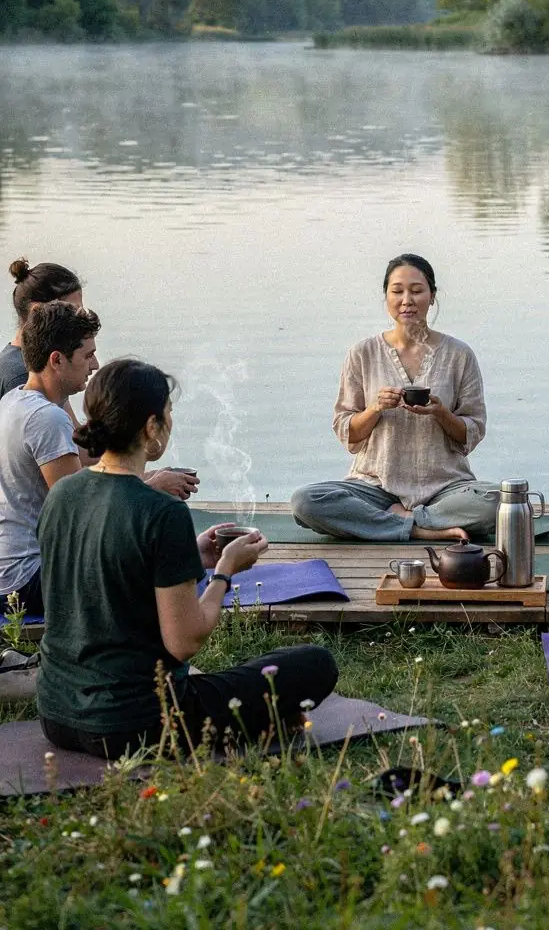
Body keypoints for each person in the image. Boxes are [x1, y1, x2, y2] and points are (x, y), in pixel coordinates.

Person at [37, 358, 338, 758]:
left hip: (56, 716)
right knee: (314, 664)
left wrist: (192, 555)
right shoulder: (162, 511)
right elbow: (184, 641)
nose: (170, 423)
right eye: (168, 414)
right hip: (140, 723)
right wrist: (225, 572)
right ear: (150, 427)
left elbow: (110, 567)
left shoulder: (63, 493)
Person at [291, 253, 496, 542]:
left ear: (432, 296)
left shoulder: (459, 355)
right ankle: (417, 528)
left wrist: (441, 413)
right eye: (397, 291)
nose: (407, 300)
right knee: (305, 501)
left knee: (499, 501)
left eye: (416, 291)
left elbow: (471, 433)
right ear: (386, 296)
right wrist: (375, 407)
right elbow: (347, 431)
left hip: (445, 486)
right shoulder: (362, 353)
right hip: (375, 487)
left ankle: (403, 521)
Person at [0, 257, 198, 502]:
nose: (95, 365)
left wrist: (137, 463)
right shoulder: (38, 403)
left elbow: (78, 452)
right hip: (36, 539)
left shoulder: (27, 392)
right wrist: (148, 481)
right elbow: (80, 502)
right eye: (70, 311)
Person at [0, 302, 101, 615]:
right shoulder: (47, 418)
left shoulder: (12, 400)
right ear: (57, 360)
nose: (95, 365)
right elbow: (81, 513)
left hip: (8, 571)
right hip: (28, 580)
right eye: (87, 355)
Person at [0, 259, 83, 398]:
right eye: (71, 311)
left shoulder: (43, 364)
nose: (79, 321)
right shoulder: (25, 377)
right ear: (37, 312)